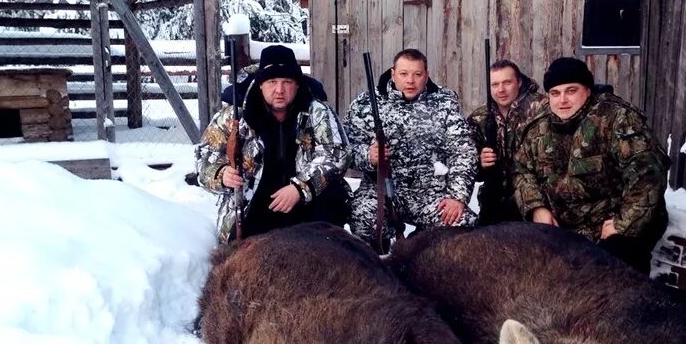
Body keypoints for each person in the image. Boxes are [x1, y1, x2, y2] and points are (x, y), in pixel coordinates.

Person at [512, 56, 669, 273]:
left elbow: (649, 175)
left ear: (587, 90)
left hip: (614, 223)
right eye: (555, 93)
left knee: (611, 278)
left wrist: (622, 224)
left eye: (571, 90)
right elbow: (522, 170)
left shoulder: (616, 119)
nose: (562, 100)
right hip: (565, 225)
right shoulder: (539, 128)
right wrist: (537, 208)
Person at [195, 45, 351, 242]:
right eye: (272, 81)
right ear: (260, 84)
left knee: (332, 197)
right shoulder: (234, 116)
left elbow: (337, 154)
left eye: (287, 82)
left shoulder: (317, 111)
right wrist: (221, 174)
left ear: (297, 85)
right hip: (254, 204)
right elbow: (204, 157)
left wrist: (300, 188)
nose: (280, 90)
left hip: (305, 204)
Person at [344, 48, 477, 249]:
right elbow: (345, 149)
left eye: (417, 74)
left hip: (430, 193)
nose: (410, 81)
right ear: (393, 74)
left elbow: (463, 151)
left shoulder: (444, 102)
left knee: (462, 224)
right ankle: (378, 262)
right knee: (363, 218)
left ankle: (422, 245)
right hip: (382, 191)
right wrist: (368, 156)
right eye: (404, 74)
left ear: (427, 76)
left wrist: (457, 196)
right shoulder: (365, 104)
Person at [466, 59, 539, 225]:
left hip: (533, 199)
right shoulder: (479, 117)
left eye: (507, 82)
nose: (501, 90)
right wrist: (480, 162)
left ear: (519, 82)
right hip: (494, 198)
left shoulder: (540, 109)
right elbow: (466, 161)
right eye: (495, 84)